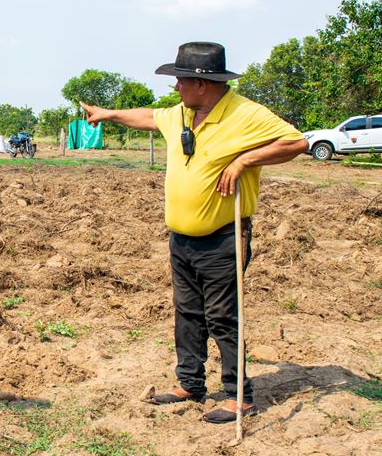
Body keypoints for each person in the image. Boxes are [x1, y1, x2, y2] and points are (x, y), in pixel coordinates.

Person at [81, 42, 307, 424]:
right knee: (187, 312)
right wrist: (109, 114)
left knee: (221, 315)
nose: (175, 89)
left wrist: (245, 160)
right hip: (182, 239)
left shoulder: (245, 114)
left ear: (202, 84)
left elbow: (297, 142)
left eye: (180, 81)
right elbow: (150, 117)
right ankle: (190, 383)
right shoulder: (183, 114)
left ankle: (240, 397)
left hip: (224, 236)